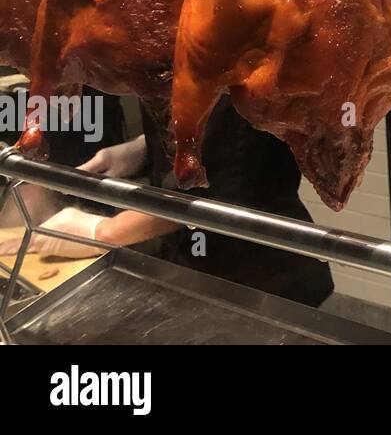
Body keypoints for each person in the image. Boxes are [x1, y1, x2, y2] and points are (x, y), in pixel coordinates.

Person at [2, 96, 333, 309]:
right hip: (196, 269)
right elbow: (198, 128)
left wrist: (102, 230)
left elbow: (215, 189)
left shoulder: (232, 49)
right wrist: (143, 149)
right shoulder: (172, 44)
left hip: (262, 279)